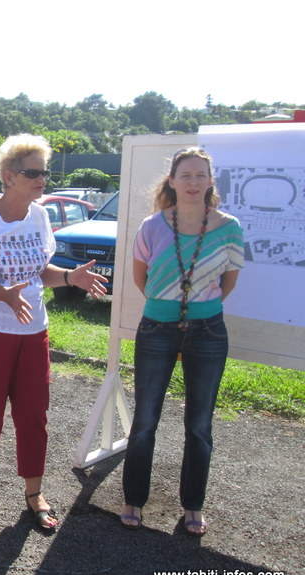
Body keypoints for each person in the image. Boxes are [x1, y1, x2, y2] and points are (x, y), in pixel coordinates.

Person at [0, 134, 107, 533]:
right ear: (9, 176)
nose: (42, 180)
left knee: (34, 414)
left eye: (45, 172)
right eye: (33, 172)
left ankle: (33, 492)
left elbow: (39, 270)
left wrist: (71, 277)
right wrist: (2, 294)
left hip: (34, 331)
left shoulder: (39, 216)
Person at [121, 147, 243, 537]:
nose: (193, 182)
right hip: (156, 328)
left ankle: (193, 505)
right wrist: (168, 306)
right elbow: (141, 278)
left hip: (208, 331)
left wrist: (194, 309)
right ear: (171, 181)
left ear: (211, 181)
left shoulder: (229, 227)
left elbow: (227, 283)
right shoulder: (152, 226)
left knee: (200, 424)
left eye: (200, 175)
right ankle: (133, 499)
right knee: (145, 421)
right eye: (185, 175)